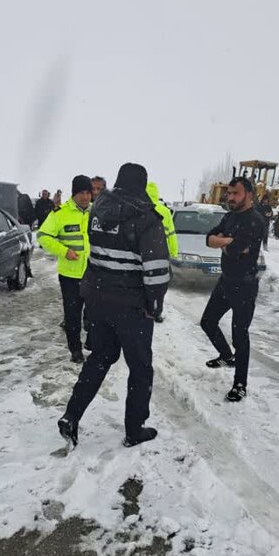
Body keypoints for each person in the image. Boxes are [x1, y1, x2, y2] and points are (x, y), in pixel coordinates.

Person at [58, 162, 170, 448]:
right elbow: (156, 271)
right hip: (131, 306)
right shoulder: (147, 218)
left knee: (100, 357)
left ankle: (71, 415)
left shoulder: (98, 210)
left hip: (97, 300)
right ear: (142, 185)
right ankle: (135, 429)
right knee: (141, 368)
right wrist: (154, 307)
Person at [200, 176, 264, 402]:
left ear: (248, 194)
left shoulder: (255, 221)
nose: (230, 197)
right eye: (229, 193)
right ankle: (227, 357)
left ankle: (240, 384)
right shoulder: (229, 217)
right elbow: (208, 239)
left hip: (245, 285)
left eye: (235, 193)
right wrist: (226, 241)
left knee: (240, 335)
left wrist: (225, 242)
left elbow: (235, 251)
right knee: (207, 322)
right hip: (226, 281)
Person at [38, 176, 92, 362]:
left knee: (94, 312)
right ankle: (75, 350)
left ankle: (92, 343)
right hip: (70, 275)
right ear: (74, 193)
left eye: (88, 192)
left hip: (94, 274)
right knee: (72, 315)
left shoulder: (96, 213)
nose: (85, 197)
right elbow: (43, 236)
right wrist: (63, 251)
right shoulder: (60, 213)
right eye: (81, 193)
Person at [146, 181, 177, 322]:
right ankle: (157, 312)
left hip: (145, 256)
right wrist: (173, 252)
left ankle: (146, 309)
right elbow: (171, 234)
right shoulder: (164, 211)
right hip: (162, 256)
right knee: (160, 287)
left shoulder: (141, 208)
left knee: (146, 284)